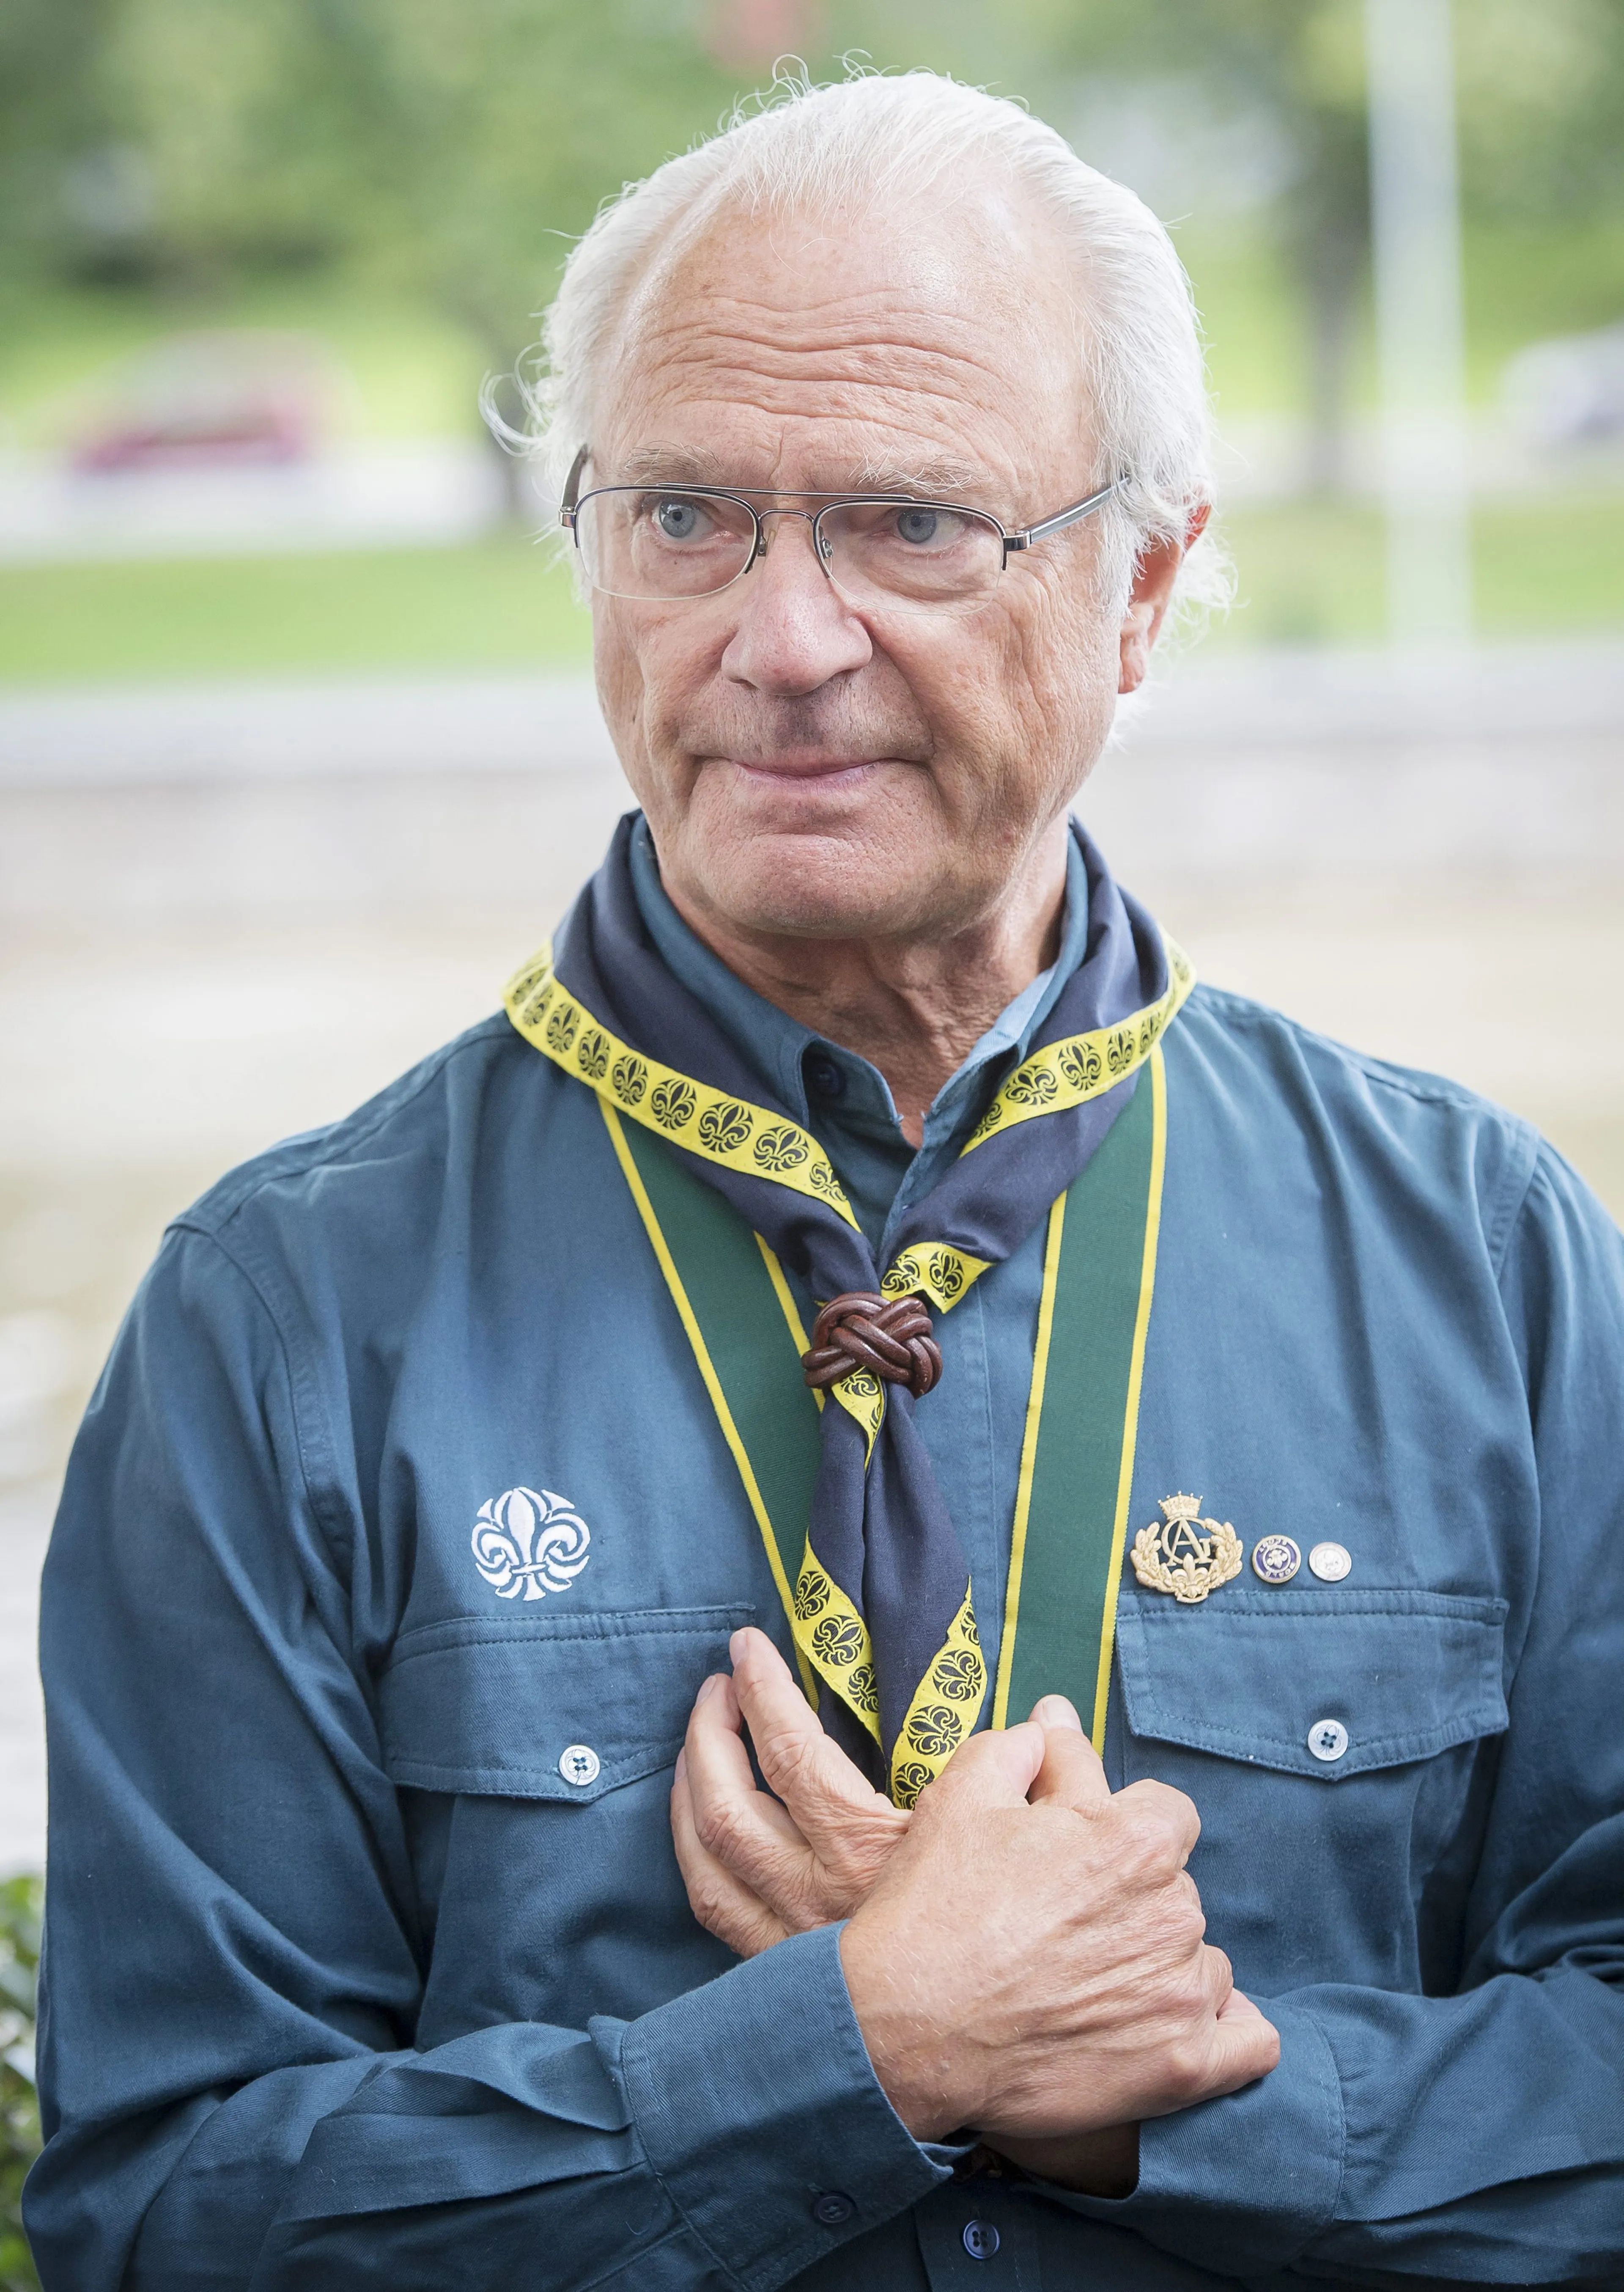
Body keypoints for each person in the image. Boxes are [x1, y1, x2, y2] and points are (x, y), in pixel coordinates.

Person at [27, 68, 1624, 2292]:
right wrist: (858, 2041)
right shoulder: (282, 1316)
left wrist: (1131, 2097)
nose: (780, 641)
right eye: (686, 510)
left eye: (909, 520)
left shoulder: (1494, 1263)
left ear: (1146, 585)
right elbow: (158, 2222)